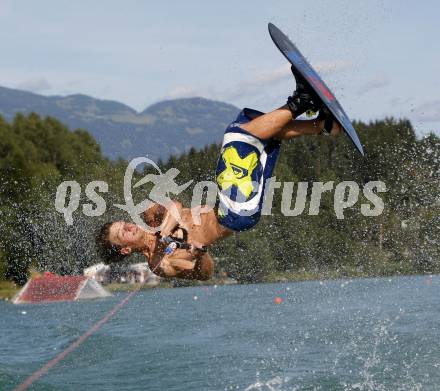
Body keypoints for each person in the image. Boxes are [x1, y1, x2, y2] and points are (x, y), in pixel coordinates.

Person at [96, 68, 342, 280]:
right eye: (122, 233)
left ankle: (323, 125)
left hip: (229, 202)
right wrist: (198, 253)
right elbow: (205, 272)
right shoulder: (160, 265)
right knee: (239, 136)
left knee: (251, 125)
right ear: (125, 250)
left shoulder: (148, 217)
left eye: (123, 223)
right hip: (234, 216)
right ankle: (301, 102)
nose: (128, 226)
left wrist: (162, 233)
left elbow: (174, 204)